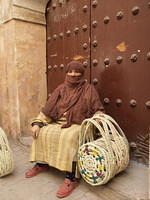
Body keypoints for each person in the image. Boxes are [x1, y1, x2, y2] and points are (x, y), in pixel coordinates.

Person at [25, 60, 104, 198]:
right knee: (41, 132)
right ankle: (41, 164)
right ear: (66, 73)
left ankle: (72, 177)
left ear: (82, 73)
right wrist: (37, 123)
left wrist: (97, 117)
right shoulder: (61, 88)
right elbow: (48, 109)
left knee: (69, 137)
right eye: (70, 72)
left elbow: (98, 109)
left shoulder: (88, 89)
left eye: (76, 72)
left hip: (77, 124)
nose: (73, 75)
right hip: (58, 122)